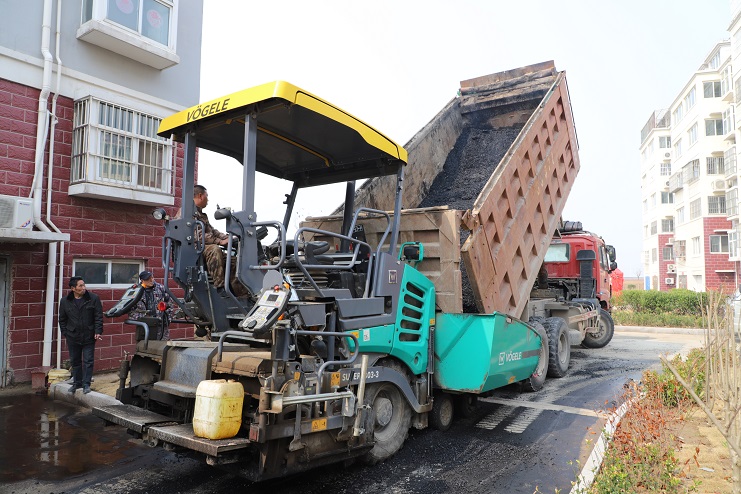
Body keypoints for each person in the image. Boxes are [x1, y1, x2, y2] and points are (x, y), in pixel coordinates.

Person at [192, 184, 250, 297]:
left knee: (234, 261)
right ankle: (220, 287)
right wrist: (219, 241)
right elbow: (197, 236)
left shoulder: (202, 215)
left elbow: (213, 231)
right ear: (200, 196)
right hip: (195, 249)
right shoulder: (188, 213)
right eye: (206, 196)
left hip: (204, 247)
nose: (208, 200)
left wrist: (228, 237)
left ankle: (241, 294)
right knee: (215, 249)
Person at [58, 276, 103, 394]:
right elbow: (62, 319)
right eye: (80, 286)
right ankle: (77, 383)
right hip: (72, 336)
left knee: (88, 360)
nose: (84, 288)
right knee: (75, 361)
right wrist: (66, 333)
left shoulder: (93, 298)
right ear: (73, 288)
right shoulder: (65, 301)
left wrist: (98, 331)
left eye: (84, 285)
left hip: (89, 335)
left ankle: (86, 384)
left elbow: (98, 316)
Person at [128, 271, 174, 340]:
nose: (151, 280)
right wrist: (141, 318)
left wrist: (167, 318)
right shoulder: (135, 290)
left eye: (152, 278)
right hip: (144, 326)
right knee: (144, 344)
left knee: (163, 344)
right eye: (148, 279)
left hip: (160, 325)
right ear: (142, 281)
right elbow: (129, 309)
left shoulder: (160, 288)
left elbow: (170, 303)